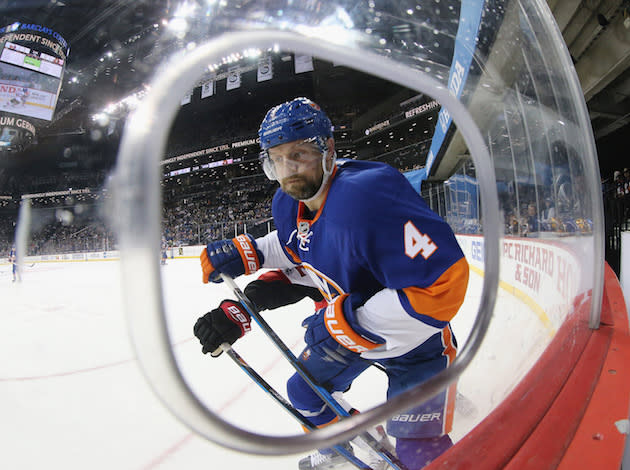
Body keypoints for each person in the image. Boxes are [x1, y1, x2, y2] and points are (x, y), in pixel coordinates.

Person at [193, 97, 469, 470]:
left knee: (420, 454)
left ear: (329, 151)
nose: (288, 170)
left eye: (300, 154)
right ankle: (349, 450)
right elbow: (299, 245)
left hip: (416, 344)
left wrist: (351, 324)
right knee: (304, 393)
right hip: (352, 334)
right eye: (277, 158)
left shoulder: (369, 197)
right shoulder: (287, 202)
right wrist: (252, 252)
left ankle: (426, 422)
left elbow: (443, 283)